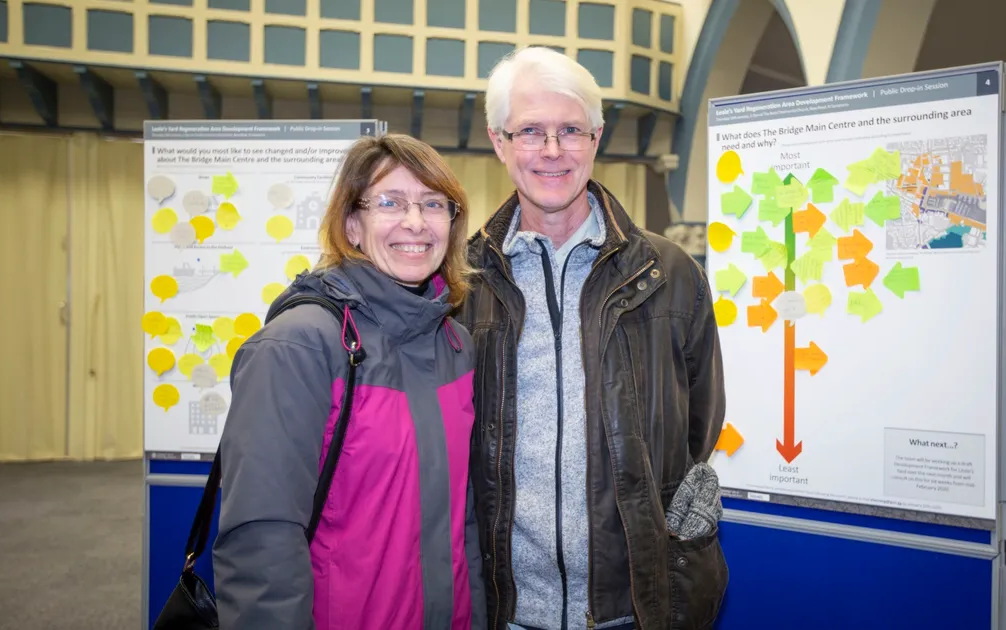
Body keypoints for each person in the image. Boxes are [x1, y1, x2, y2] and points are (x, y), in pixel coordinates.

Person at [457, 47, 728, 630]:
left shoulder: (670, 272)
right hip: (502, 610)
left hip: (634, 607)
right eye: (530, 130)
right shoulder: (461, 281)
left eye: (570, 130)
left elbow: (699, 423)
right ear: (499, 141)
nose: (552, 151)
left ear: (597, 137)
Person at [212, 134, 486, 629]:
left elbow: (462, 522)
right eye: (390, 202)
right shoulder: (297, 347)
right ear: (351, 225)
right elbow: (262, 540)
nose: (416, 223)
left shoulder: (456, 346)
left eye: (433, 204)